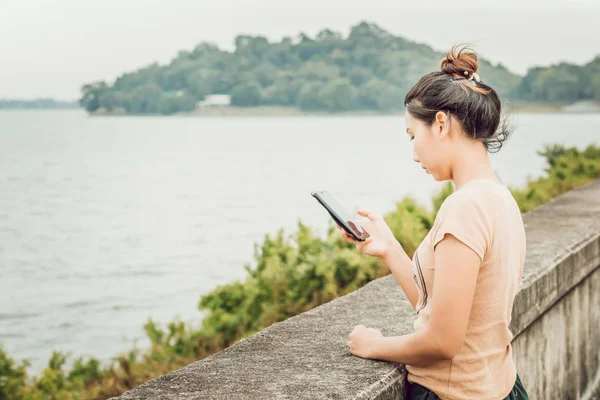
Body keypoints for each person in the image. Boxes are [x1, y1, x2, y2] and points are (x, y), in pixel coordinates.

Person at [339, 45, 530, 400]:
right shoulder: (499, 198)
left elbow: (442, 342)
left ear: (440, 123)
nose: (414, 154)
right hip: (501, 387)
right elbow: (445, 312)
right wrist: (391, 250)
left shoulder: (465, 207)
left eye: (413, 136)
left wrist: (375, 345)